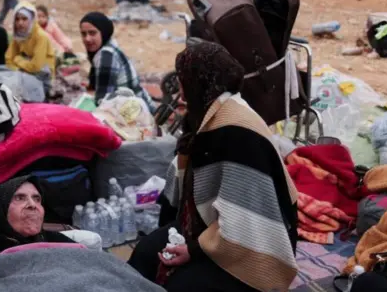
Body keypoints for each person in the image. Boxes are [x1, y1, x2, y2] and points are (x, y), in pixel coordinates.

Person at [127, 41, 298, 292]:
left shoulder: (235, 128)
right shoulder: (209, 113)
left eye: (183, 79)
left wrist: (193, 250)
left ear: (198, 82)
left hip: (251, 244)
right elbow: (182, 192)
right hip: (212, 226)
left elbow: (244, 220)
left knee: (181, 285)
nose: (180, 89)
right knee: (145, 253)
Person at [0, 176, 75, 258]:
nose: (32, 205)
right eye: (20, 198)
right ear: (2, 209)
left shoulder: (58, 242)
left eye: (37, 199)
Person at [79, 12, 154, 112]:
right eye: (84, 34)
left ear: (103, 32)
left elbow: (103, 102)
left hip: (138, 115)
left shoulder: (105, 55)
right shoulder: (109, 46)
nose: (87, 39)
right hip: (139, 106)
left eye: (92, 33)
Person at [5, 2, 56, 84]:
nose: (20, 23)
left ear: (32, 19)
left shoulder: (41, 36)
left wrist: (18, 60)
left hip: (43, 77)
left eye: (24, 19)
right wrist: (16, 70)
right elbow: (9, 58)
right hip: (24, 72)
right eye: (17, 19)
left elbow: (36, 67)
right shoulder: (18, 34)